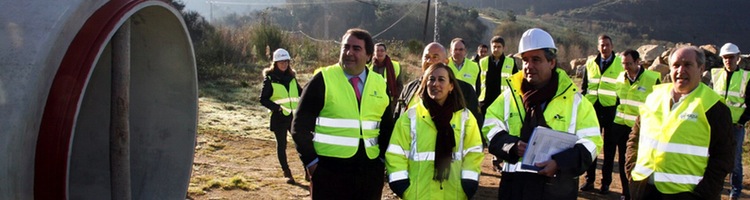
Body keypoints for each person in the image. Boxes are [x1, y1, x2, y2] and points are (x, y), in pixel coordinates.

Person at [483, 28, 602, 199]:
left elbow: (592, 142)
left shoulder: (575, 101)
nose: (528, 66)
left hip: (556, 189)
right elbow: (490, 126)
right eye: (525, 60)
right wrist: (511, 145)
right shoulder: (509, 96)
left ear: (552, 62)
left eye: (536, 60)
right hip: (515, 188)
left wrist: (560, 163)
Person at [291, 28, 394, 199]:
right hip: (329, 171)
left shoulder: (379, 83)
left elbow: (387, 128)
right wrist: (312, 164)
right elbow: (299, 127)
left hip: (368, 172)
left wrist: (381, 161)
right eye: (345, 47)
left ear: (369, 56)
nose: (349, 53)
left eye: (356, 48)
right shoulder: (323, 79)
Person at [625, 46, 734, 199]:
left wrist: (703, 194)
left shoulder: (713, 107)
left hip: (686, 194)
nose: (680, 70)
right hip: (644, 190)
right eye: (676, 65)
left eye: (688, 65)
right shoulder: (654, 97)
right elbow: (635, 138)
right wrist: (631, 172)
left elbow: (724, 157)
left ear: (701, 68)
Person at [386, 63, 483, 200]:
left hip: (454, 195)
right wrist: (402, 187)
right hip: (418, 194)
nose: (435, 84)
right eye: (431, 79)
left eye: (441, 79)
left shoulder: (465, 118)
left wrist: (467, 185)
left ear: (451, 86)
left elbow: (473, 153)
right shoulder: (410, 117)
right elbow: (396, 153)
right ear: (425, 84)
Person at [609, 49, 661, 200]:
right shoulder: (620, 79)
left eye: (629, 63)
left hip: (642, 130)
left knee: (641, 162)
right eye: (624, 64)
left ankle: (639, 193)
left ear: (638, 62)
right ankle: (626, 193)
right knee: (624, 163)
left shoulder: (652, 79)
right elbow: (617, 102)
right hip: (620, 126)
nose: (626, 67)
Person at [394, 42, 481, 131]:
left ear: (446, 62)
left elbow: (475, 126)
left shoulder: (465, 90)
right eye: (426, 57)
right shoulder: (410, 88)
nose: (429, 61)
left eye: (435, 57)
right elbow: (397, 120)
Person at [581, 34, 624, 194]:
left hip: (612, 110)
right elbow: (585, 87)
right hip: (593, 110)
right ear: (598, 47)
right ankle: (589, 180)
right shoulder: (590, 63)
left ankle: (606, 183)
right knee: (591, 145)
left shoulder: (620, 63)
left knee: (610, 148)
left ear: (612, 46)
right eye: (602, 45)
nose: (604, 47)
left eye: (607, 45)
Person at [710, 43, 749, 200]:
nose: (728, 60)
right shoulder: (715, 75)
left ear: (738, 58)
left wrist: (742, 121)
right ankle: (716, 189)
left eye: (731, 57)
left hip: (736, 126)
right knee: (714, 158)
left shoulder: (746, 77)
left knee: (735, 161)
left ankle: (735, 191)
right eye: (725, 58)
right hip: (717, 126)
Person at [259, 48, 302, 184]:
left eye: (286, 61)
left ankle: (308, 170)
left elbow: (301, 93)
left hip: (293, 117)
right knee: (282, 145)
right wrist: (276, 108)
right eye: (281, 62)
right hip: (278, 118)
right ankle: (287, 172)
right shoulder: (270, 79)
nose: (284, 64)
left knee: (301, 143)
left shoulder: (292, 78)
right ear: (275, 63)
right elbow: (263, 99)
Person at [478, 36, 519, 115]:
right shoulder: (483, 62)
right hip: (485, 102)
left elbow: (516, 83)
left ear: (503, 48)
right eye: (494, 47)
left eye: (499, 47)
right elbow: (478, 82)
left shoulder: (511, 62)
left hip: (503, 101)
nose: (496, 49)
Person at [370, 42, 405, 107]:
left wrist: (395, 99)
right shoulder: (369, 67)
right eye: (377, 50)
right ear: (374, 53)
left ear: (385, 52)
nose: (379, 53)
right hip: (374, 101)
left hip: (391, 101)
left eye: (382, 51)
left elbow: (400, 84)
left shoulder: (395, 66)